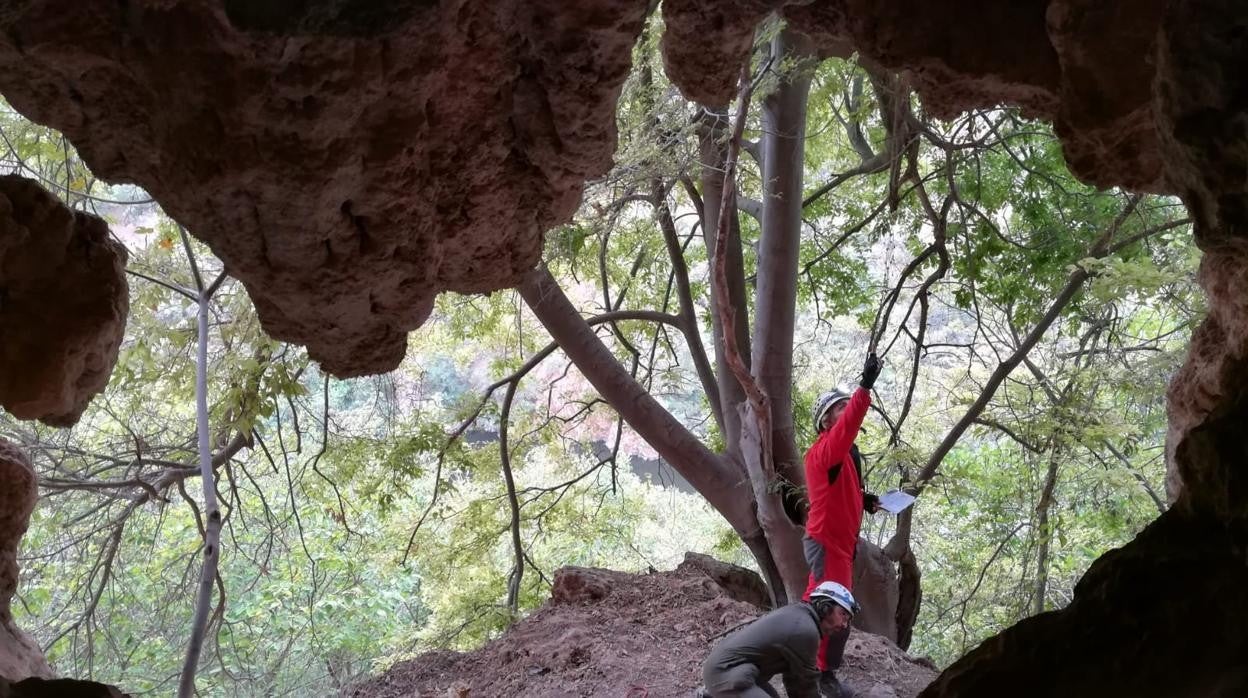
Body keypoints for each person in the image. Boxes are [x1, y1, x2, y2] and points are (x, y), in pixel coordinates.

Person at [803, 352, 883, 697]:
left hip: (839, 544)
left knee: (828, 609)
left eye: (845, 405)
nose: (846, 410)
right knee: (829, 610)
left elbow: (844, 491)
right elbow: (849, 423)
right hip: (826, 542)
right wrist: (864, 387)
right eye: (839, 407)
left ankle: (817, 670)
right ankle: (819, 675)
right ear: (825, 421)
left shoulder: (846, 456)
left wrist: (865, 500)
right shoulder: (824, 452)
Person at [701, 581, 860, 698]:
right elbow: (807, 684)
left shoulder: (801, 617)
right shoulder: (805, 629)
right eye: (843, 614)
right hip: (726, 674)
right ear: (826, 606)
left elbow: (795, 679)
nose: (844, 625)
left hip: (739, 672)